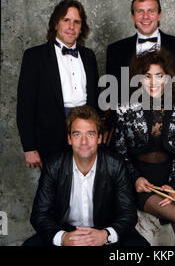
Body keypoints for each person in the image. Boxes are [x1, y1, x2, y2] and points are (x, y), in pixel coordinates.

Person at [113, 49, 175, 246]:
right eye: (147, 76)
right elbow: (120, 153)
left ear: (168, 78)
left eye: (159, 76)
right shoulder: (125, 109)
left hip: (174, 177)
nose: (153, 82)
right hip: (142, 182)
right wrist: (135, 178)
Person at [22, 105, 149, 246]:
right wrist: (64, 238)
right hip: (67, 231)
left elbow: (128, 214)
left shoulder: (116, 165)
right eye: (77, 134)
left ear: (99, 138)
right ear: (69, 139)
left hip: (103, 230)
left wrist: (105, 235)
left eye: (90, 134)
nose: (84, 142)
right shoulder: (53, 166)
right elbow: (39, 215)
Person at [17, 0, 100, 169]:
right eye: (66, 20)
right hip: (50, 138)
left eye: (76, 22)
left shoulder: (89, 56)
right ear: (56, 24)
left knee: (87, 187)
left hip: (85, 135)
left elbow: (95, 99)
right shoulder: (34, 57)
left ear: (81, 27)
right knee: (54, 191)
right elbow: (25, 105)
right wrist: (29, 147)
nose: (71, 27)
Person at [103, 0, 175, 144]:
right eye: (140, 11)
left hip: (171, 132)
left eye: (151, 11)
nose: (145, 17)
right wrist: (109, 125)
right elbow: (111, 94)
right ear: (133, 16)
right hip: (129, 132)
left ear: (159, 15)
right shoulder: (116, 50)